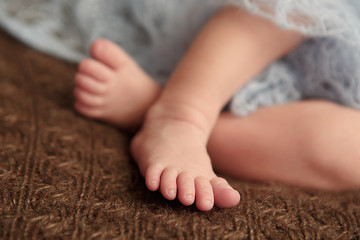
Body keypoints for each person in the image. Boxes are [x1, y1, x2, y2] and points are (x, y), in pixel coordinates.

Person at [73, 5, 360, 212]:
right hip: (243, 28)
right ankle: (182, 114)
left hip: (310, 105)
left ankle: (152, 106)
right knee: (303, 6)